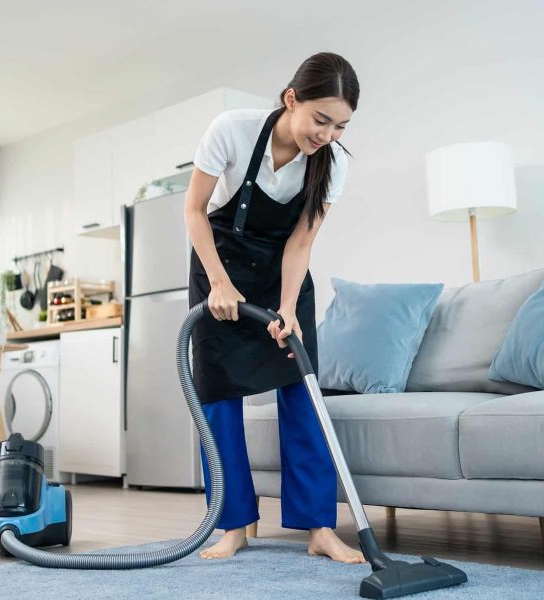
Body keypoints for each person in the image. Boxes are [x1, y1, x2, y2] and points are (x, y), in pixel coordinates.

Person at [183, 52, 363, 563]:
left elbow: (301, 242)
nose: (328, 134)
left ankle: (319, 528)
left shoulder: (334, 164)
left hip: (284, 276)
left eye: (340, 126)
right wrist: (219, 283)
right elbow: (194, 210)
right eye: (321, 119)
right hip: (219, 267)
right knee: (218, 395)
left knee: (302, 392)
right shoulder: (232, 131)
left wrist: (287, 307)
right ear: (291, 100)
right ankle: (234, 524)